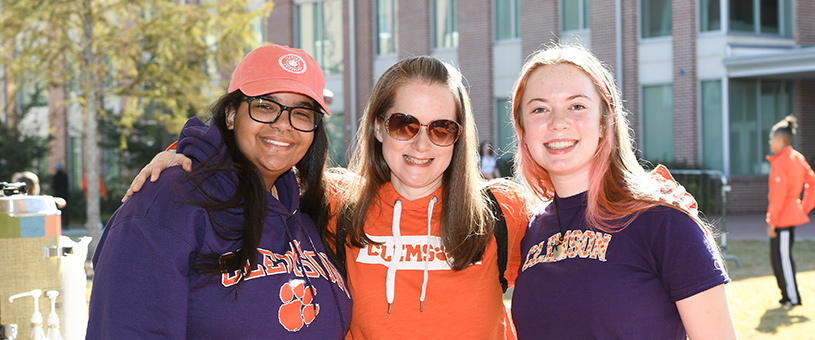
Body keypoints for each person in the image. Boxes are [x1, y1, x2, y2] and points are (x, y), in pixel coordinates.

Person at [126, 55, 698, 339]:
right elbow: (263, 152)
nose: (421, 143)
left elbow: (590, 218)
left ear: (460, 134)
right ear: (377, 127)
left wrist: (662, 196)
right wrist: (192, 149)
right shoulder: (333, 202)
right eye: (403, 123)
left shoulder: (505, 211)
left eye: (441, 127)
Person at [86, 44, 352, 339]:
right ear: (230, 113)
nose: (283, 125)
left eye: (301, 113)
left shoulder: (308, 208)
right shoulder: (168, 201)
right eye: (265, 106)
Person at [508, 43, 736, 339]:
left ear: (605, 121)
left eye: (577, 106)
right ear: (523, 129)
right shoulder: (529, 230)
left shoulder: (663, 222)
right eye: (539, 109)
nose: (558, 123)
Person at [766, 115, 815, 307]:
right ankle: (785, 296)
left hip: (783, 219)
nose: (770, 142)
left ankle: (793, 298)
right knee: (776, 257)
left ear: (779, 140)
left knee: (783, 259)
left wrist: (772, 222)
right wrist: (803, 207)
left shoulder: (782, 161)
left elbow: (777, 196)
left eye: (771, 139)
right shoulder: (798, 157)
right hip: (786, 216)